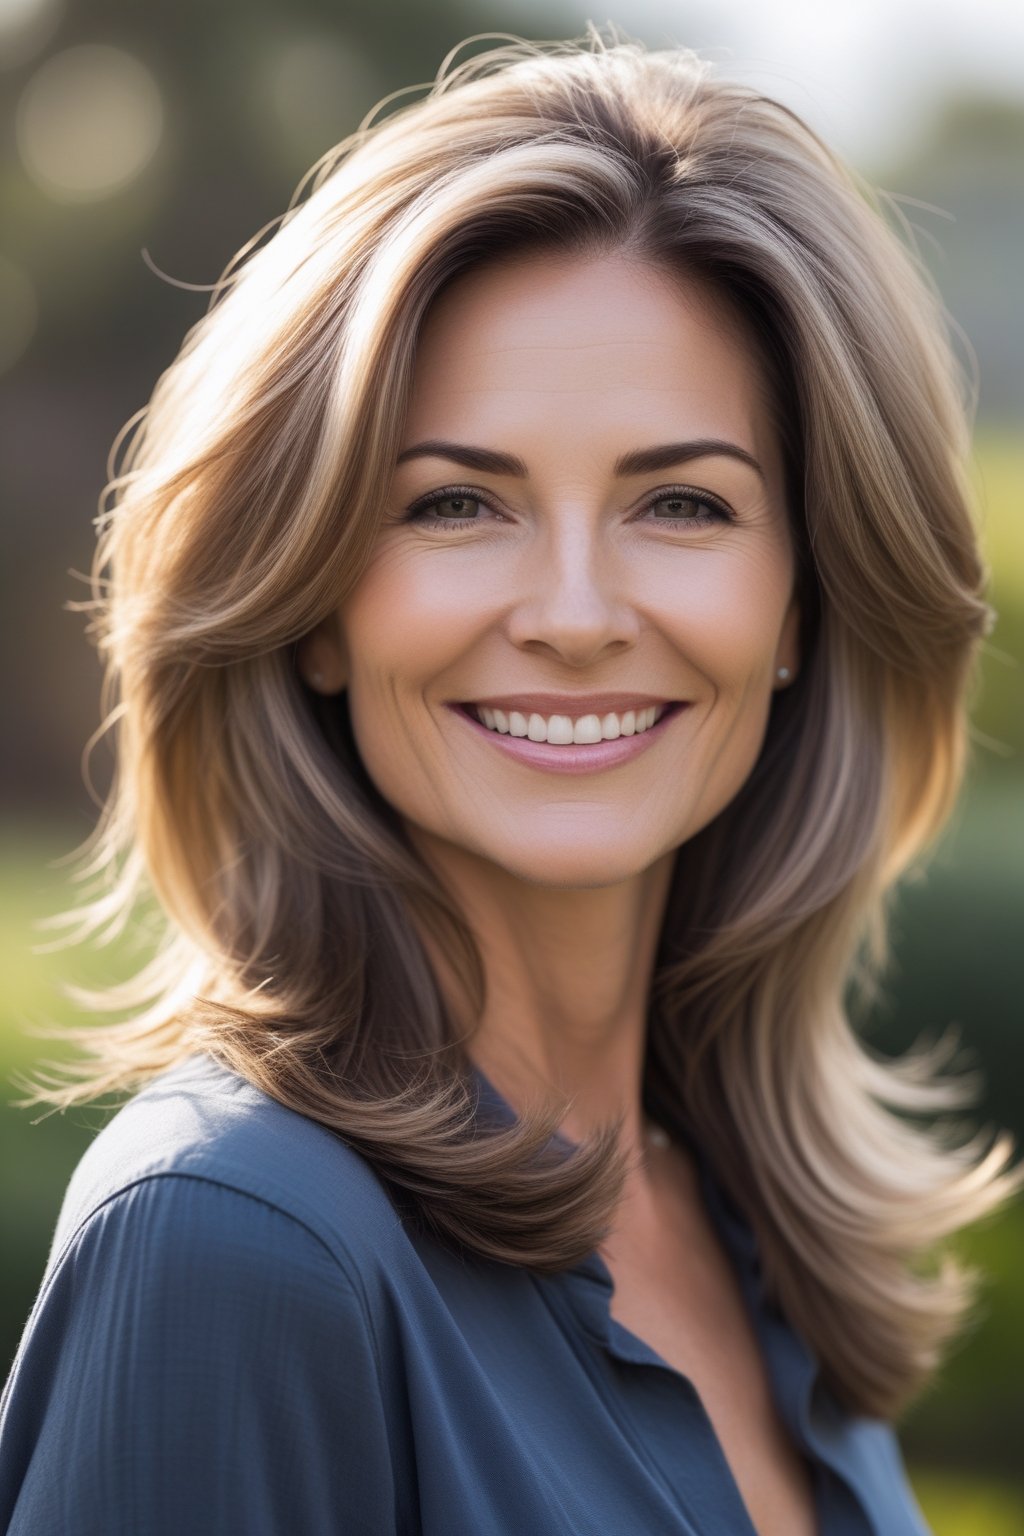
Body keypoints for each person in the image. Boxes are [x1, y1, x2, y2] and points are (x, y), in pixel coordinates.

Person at [1, 24, 1020, 1536]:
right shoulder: (231, 1245)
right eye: (457, 504)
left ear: (804, 603)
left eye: (683, 503)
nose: (574, 613)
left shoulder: (748, 1223)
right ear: (314, 601)